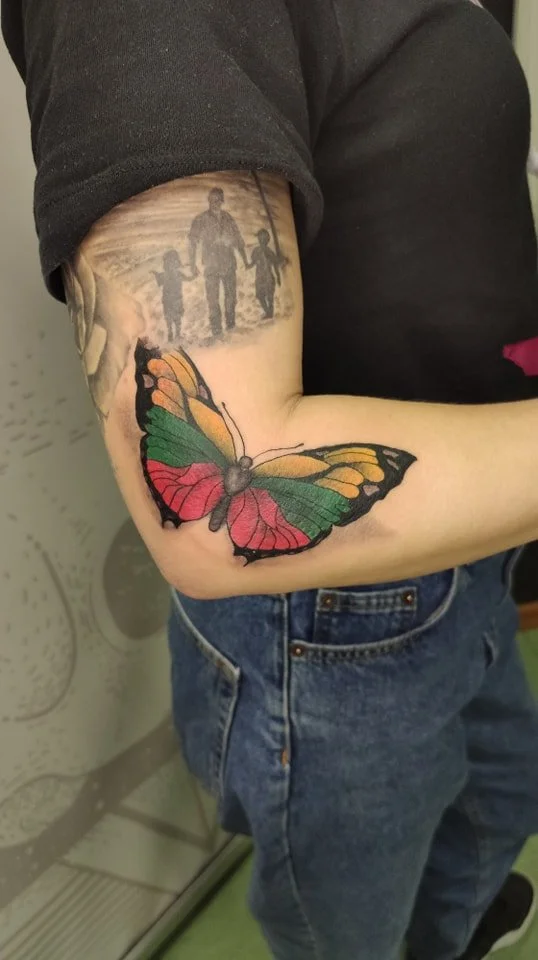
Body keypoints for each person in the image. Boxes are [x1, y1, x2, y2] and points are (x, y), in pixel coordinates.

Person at [3, 2, 538, 959]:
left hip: (476, 536)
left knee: (496, 807)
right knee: (350, 925)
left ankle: (455, 927)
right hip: (334, 623)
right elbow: (207, 527)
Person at [188, 186, 248, 336]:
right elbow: (192, 242)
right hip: (211, 266)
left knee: (231, 298)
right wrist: (192, 264)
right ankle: (216, 332)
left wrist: (245, 260)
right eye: (212, 199)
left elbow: (238, 241)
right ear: (208, 200)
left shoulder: (228, 218)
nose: (215, 202)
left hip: (229, 265)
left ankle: (231, 327)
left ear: (222, 201)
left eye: (218, 199)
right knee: (213, 300)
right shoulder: (200, 220)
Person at [152, 248, 190, 340]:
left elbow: (159, 282)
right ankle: (174, 333)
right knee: (175, 317)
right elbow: (189, 278)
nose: (171, 264)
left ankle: (172, 333)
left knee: (171, 317)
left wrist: (156, 275)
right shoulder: (177, 274)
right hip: (175, 299)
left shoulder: (166, 274)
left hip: (170, 299)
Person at [248, 228, 282, 319]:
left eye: (263, 238)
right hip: (260, 277)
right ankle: (268, 313)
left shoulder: (269, 251)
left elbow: (275, 264)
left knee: (269, 296)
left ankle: (270, 313)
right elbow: (253, 262)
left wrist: (278, 276)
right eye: (260, 238)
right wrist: (248, 266)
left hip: (268, 277)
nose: (261, 240)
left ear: (266, 240)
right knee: (260, 296)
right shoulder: (256, 251)